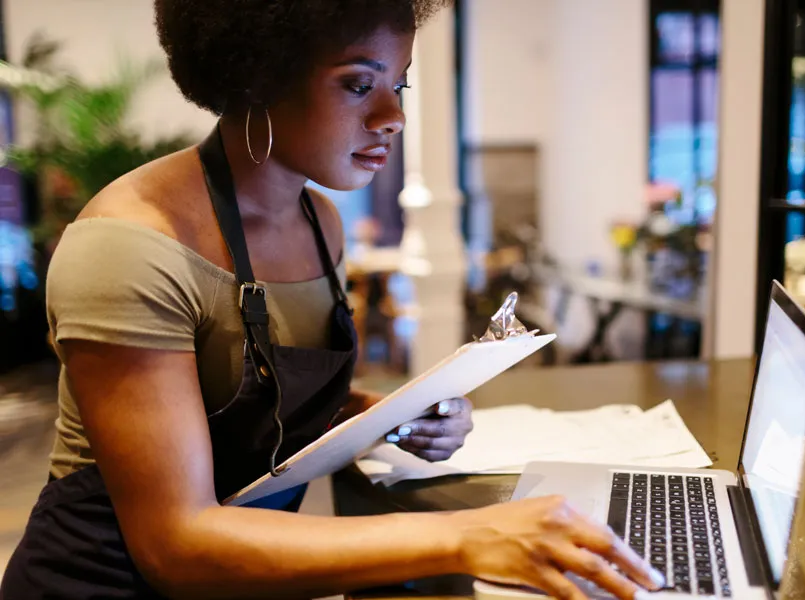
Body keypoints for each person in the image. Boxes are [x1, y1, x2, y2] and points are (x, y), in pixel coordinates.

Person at [0, 1, 664, 599]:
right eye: (357, 84)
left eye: (397, 84)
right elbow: (177, 544)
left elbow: (243, 400)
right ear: (256, 75)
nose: (394, 116)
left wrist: (391, 416)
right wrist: (471, 534)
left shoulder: (321, 224)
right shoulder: (130, 246)